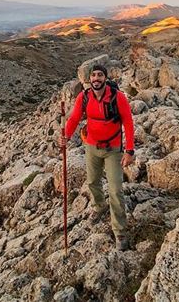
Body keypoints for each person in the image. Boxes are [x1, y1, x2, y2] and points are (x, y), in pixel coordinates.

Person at [61, 64, 135, 251]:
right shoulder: (84, 97)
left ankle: (120, 231)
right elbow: (75, 118)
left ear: (105, 78)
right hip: (91, 146)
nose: (96, 79)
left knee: (116, 189)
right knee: (93, 181)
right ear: (89, 79)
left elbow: (128, 122)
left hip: (113, 148)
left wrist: (129, 150)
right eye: (93, 75)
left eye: (100, 75)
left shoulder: (118, 98)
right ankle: (99, 207)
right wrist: (66, 137)